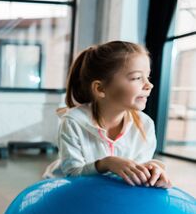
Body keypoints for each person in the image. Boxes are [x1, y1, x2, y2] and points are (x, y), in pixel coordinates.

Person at [43, 41, 171, 188]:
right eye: (136, 78)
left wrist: (152, 169)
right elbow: (72, 174)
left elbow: (138, 171)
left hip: (111, 196)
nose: (149, 85)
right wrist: (106, 163)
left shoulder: (145, 124)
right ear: (100, 88)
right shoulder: (72, 122)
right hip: (66, 191)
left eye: (147, 76)